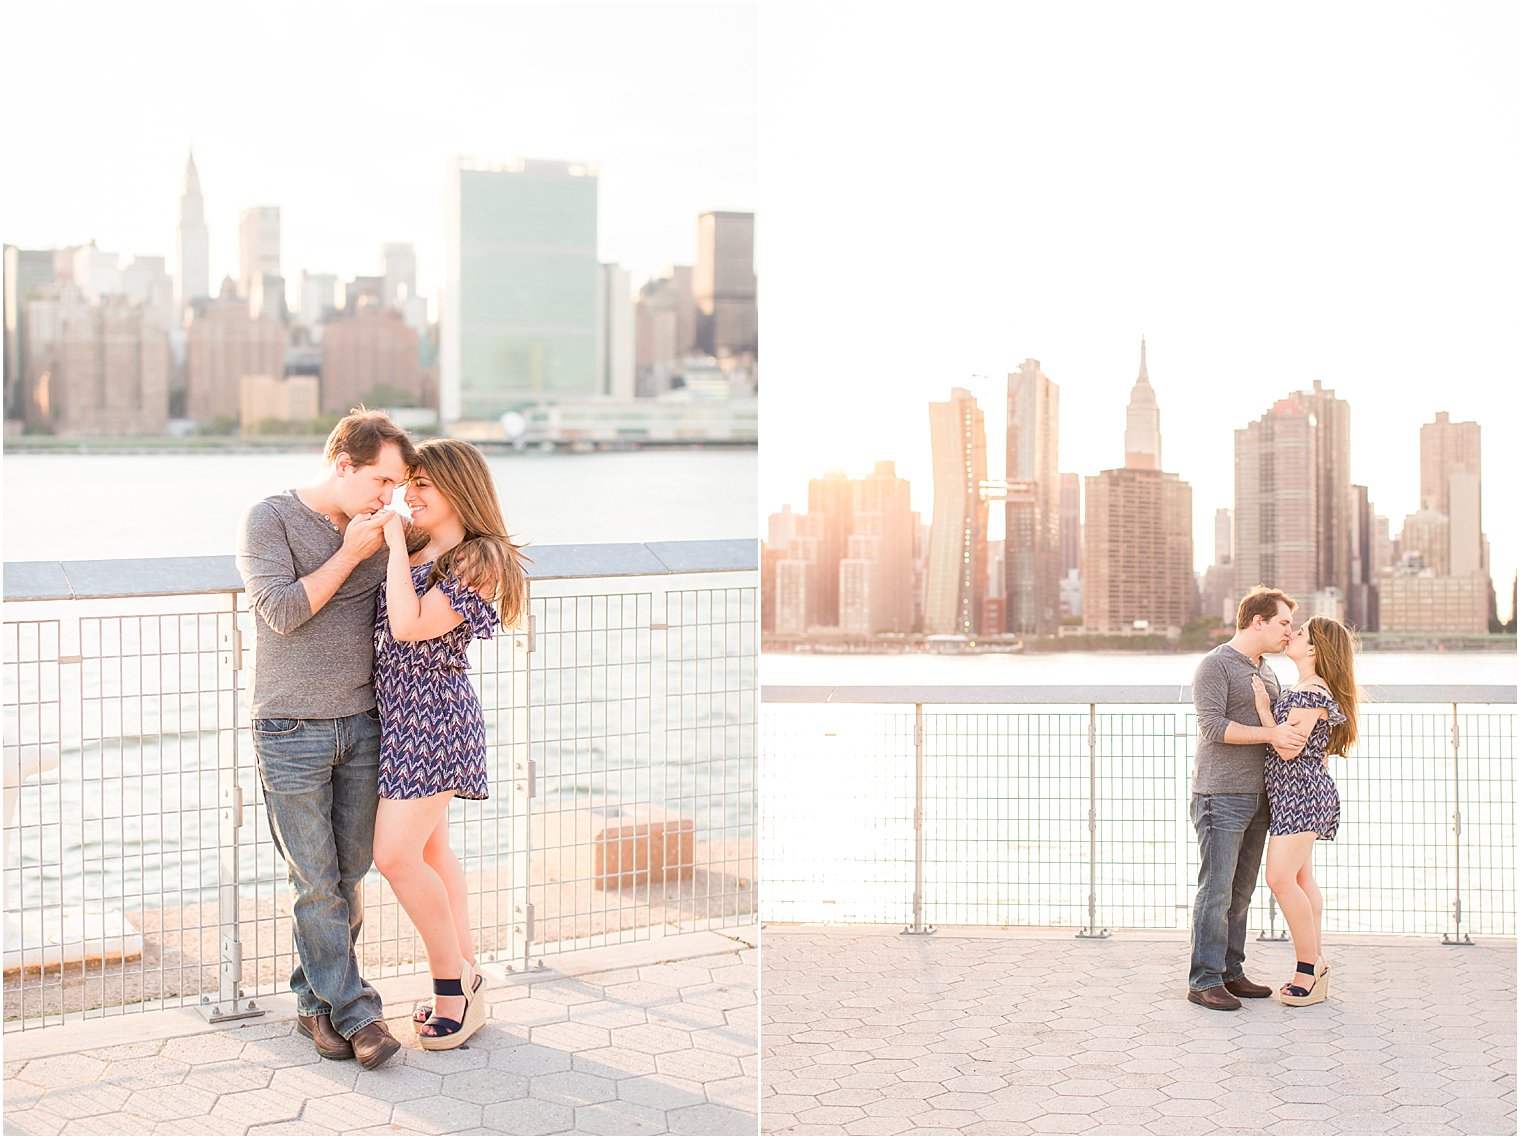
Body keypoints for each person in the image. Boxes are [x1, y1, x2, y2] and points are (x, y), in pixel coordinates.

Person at [236, 409, 418, 1068]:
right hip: (289, 726)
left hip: (363, 722)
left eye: (396, 484)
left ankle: (315, 1006)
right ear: (343, 462)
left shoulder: (379, 530)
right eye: (381, 478)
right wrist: (352, 552)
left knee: (347, 876)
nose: (387, 494)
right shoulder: (270, 518)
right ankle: (359, 1014)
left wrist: (398, 540)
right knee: (315, 883)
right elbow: (281, 612)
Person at [370, 438, 529, 1050]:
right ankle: (469, 974)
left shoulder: (478, 558)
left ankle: (450, 988)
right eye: (408, 481)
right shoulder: (419, 549)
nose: (410, 493)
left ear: (459, 487)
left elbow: (409, 628)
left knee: (395, 856)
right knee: (434, 855)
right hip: (397, 719)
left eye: (423, 483)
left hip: (435, 718)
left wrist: (388, 546)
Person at [1186, 585, 1312, 1012]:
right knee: (1216, 891)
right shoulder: (1215, 665)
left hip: (1261, 796)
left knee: (1241, 894)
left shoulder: (1268, 669)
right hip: (1220, 794)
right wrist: (1271, 733)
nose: (1287, 632)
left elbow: (1277, 724)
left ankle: (1231, 972)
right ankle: (1203, 979)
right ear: (1257, 621)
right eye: (1282, 623)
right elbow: (1212, 727)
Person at [1252, 615, 1359, 1007]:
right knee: (1300, 879)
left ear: (1313, 648)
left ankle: (1307, 971)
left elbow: (1288, 747)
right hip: (1295, 794)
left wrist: (1264, 710)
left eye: (1299, 633)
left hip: (1301, 796)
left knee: (1280, 879)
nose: (1291, 634)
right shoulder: (1304, 688)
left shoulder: (1311, 693)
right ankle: (1318, 966)